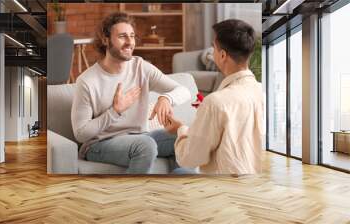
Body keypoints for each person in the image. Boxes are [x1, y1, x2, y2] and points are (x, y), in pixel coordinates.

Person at [71, 12, 191, 174]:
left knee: (184, 136)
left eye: (132, 36)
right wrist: (115, 111)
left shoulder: (141, 67)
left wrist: (166, 98)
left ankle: (182, 188)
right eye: (122, 36)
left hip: (140, 137)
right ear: (105, 40)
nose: (129, 42)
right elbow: (81, 134)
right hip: (99, 145)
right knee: (145, 146)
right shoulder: (87, 81)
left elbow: (184, 91)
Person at [165, 19, 264, 175]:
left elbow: (190, 159)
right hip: (257, 185)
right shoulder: (261, 91)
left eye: (214, 48)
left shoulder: (216, 102)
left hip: (223, 190)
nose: (213, 52)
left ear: (223, 55)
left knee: (178, 172)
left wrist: (180, 129)